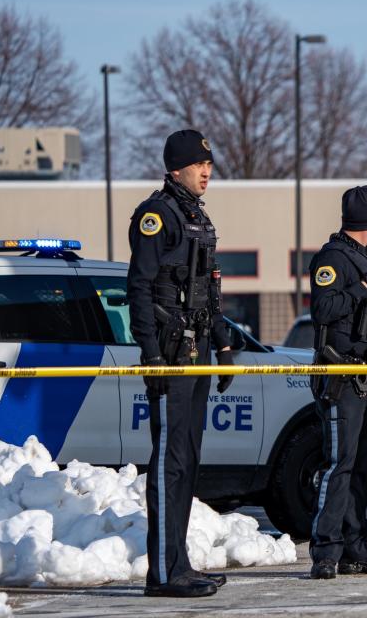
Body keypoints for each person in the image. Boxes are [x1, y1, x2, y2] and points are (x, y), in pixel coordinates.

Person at [128, 129, 235, 597]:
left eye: (209, 164)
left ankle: (179, 563)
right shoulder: (156, 216)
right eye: (198, 165)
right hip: (171, 355)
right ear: (176, 168)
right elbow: (139, 289)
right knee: (170, 461)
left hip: (198, 351)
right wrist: (151, 355)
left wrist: (225, 344)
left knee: (187, 460)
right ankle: (164, 574)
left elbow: (206, 293)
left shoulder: (194, 215)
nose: (206, 171)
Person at [308, 185, 367, 580]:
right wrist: (360, 290)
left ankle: (355, 548)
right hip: (340, 375)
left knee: (361, 465)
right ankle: (325, 552)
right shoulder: (333, 259)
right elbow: (323, 309)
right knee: (338, 465)